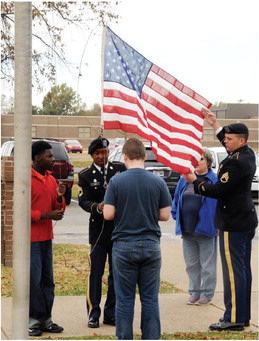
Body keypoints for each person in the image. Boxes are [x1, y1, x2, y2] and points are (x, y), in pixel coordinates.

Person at [185, 108, 258, 331]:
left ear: (241, 140)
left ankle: (233, 318)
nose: (225, 142)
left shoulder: (236, 163)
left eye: (229, 139)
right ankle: (241, 315)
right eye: (224, 138)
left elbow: (217, 190)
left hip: (233, 223)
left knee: (233, 273)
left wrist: (195, 180)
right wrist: (215, 125)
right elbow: (229, 143)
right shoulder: (247, 153)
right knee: (242, 270)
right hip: (244, 220)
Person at [103, 137, 172, 340]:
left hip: (124, 245)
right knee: (150, 298)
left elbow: (108, 214)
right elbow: (165, 215)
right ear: (144, 156)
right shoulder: (158, 182)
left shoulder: (116, 181)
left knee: (124, 299)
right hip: (150, 245)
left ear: (125, 156)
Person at [78, 137, 126, 328]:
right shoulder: (85, 175)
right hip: (98, 232)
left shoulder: (119, 170)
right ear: (92, 155)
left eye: (104, 152)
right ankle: (93, 313)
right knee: (95, 274)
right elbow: (83, 201)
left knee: (116, 274)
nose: (102, 156)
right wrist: (98, 207)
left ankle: (111, 313)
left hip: (118, 231)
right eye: (98, 153)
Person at [172, 148, 218, 306]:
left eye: (201, 159)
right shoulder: (185, 179)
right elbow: (177, 198)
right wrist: (176, 215)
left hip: (206, 229)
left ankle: (206, 293)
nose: (197, 163)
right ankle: (194, 292)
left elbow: (220, 204)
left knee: (207, 265)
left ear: (208, 162)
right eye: (195, 160)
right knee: (191, 264)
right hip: (187, 229)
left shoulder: (214, 180)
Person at [29, 141, 66, 337]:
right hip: (31, 239)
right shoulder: (26, 179)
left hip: (47, 237)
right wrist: (45, 216)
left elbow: (58, 208)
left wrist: (60, 197)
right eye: (49, 156)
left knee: (47, 281)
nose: (53, 159)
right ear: (37, 158)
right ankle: (33, 321)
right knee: (33, 281)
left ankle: (46, 319)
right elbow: (19, 211)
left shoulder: (51, 180)